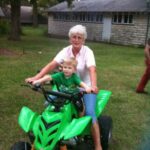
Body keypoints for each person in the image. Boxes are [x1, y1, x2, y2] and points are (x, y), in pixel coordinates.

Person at [26, 24, 102, 150]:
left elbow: (92, 69)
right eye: (74, 37)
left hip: (85, 87)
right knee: (49, 105)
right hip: (66, 86)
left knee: (90, 112)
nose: (76, 39)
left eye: (79, 37)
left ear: (83, 40)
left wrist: (93, 86)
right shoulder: (65, 51)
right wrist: (36, 78)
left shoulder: (88, 52)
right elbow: (52, 65)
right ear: (70, 39)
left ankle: (98, 145)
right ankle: (49, 133)